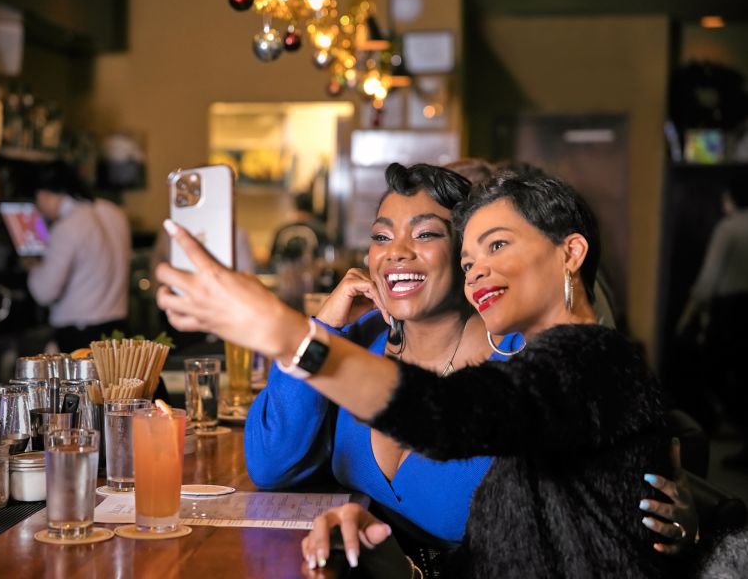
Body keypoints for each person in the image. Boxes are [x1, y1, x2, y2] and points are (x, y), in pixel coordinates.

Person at [156, 165, 691, 577]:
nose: (479, 267)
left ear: (570, 252)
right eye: (472, 257)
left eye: (497, 245)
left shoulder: (584, 360)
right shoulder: (553, 361)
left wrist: (290, 334)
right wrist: (390, 554)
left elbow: (449, 416)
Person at [245, 163, 519, 571]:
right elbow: (270, 464)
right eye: (381, 237)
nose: (396, 252)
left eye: (425, 234)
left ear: (466, 253)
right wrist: (322, 328)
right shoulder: (358, 339)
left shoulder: (518, 359)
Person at [678, 181, 748, 469]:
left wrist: (686, 320)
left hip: (731, 309)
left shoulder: (729, 228)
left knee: (717, 372)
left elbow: (708, 280)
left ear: (731, 199)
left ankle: (730, 427)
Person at [26, 161, 131, 352]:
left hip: (80, 335)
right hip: (118, 328)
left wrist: (33, 267)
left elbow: (45, 291)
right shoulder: (115, 213)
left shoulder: (68, 226)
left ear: (44, 195)